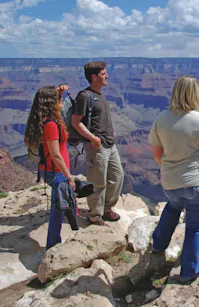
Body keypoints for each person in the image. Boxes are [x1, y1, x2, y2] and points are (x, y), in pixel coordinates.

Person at [148, 75, 199, 283]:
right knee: (195, 226)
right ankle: (189, 270)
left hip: (170, 183)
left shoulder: (161, 118)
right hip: (197, 183)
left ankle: (158, 244)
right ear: (194, 94)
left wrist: (171, 169)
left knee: (172, 207)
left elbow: (156, 153)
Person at [71, 61, 124, 226]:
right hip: (97, 146)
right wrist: (93, 138)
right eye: (103, 74)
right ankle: (95, 215)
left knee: (117, 176)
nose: (107, 76)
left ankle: (107, 209)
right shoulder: (85, 96)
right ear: (94, 77)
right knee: (98, 182)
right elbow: (75, 121)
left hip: (109, 143)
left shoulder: (100, 94)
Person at [24, 85, 75, 249]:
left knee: (60, 208)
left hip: (52, 170)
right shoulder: (51, 125)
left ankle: (54, 242)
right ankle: (53, 246)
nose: (62, 101)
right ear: (51, 103)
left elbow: (60, 109)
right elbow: (55, 154)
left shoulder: (45, 120)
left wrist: (58, 92)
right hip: (57, 172)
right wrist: (69, 177)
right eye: (59, 99)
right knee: (57, 211)